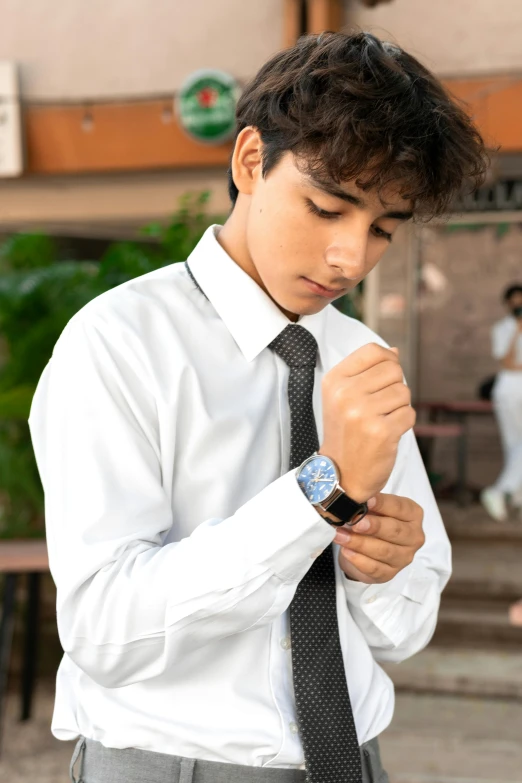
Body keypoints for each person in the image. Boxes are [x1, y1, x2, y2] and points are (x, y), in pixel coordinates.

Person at [28, 32, 486, 783]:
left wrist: (384, 570)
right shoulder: (119, 343)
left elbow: (406, 627)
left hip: (354, 763)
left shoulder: (361, 356)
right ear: (250, 162)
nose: (351, 257)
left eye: (381, 228)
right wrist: (322, 493)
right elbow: (105, 631)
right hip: (172, 768)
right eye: (327, 207)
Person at [480, 284, 522, 522]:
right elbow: (506, 362)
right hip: (509, 391)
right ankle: (506, 493)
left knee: (519, 447)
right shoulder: (502, 329)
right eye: (513, 301)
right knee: (514, 445)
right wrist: (517, 331)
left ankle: (507, 494)